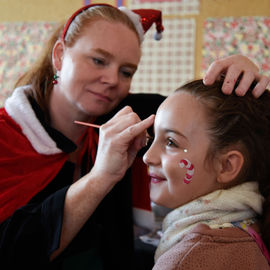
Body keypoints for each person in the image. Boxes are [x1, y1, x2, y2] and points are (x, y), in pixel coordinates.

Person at [0, 3, 268, 269]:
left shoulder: (135, 114)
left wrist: (245, 82)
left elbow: (230, 124)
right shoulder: (5, 137)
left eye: (126, 71)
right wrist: (100, 177)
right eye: (98, 60)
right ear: (59, 56)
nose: (112, 79)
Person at [143, 77, 270, 269]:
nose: (147, 156)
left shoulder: (189, 258)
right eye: (153, 137)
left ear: (226, 166)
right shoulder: (250, 227)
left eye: (171, 142)